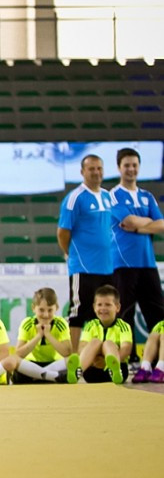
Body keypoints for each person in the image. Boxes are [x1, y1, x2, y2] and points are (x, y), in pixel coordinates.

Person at [109, 147, 164, 364]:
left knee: (158, 315)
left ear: (139, 167)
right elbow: (128, 222)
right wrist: (148, 224)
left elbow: (161, 225)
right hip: (123, 264)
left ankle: (158, 359)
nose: (131, 169)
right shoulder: (113, 195)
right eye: (127, 165)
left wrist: (141, 226)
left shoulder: (147, 196)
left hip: (147, 263)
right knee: (125, 315)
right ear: (119, 168)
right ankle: (128, 358)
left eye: (134, 165)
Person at [57, 154, 117, 352]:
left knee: (106, 310)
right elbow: (63, 232)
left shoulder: (108, 196)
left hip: (107, 266)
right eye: (91, 169)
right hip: (83, 266)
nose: (96, 172)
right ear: (82, 172)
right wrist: (71, 254)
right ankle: (74, 357)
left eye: (99, 168)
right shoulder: (75, 198)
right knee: (79, 310)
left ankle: (100, 354)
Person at [11, 287, 80, 384]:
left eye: (50, 310)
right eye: (41, 310)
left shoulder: (61, 323)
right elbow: (19, 354)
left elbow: (67, 352)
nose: (46, 315)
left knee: (72, 360)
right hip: (32, 364)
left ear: (57, 308)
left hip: (53, 364)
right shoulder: (27, 324)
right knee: (14, 360)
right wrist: (38, 335)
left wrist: (48, 334)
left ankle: (36, 376)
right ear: (33, 308)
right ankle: (54, 377)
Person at [75, 285, 132, 384]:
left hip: (119, 371)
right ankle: (77, 371)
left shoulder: (124, 326)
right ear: (94, 307)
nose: (103, 308)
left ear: (117, 307)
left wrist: (106, 362)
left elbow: (126, 348)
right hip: (92, 370)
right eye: (100, 305)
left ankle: (114, 369)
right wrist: (94, 361)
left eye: (108, 305)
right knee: (95, 342)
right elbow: (82, 347)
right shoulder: (91, 325)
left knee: (108, 343)